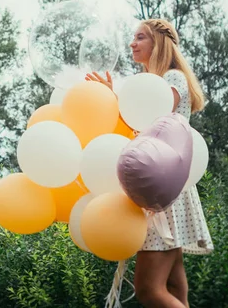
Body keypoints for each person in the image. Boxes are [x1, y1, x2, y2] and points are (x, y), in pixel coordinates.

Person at [86, 18, 213, 308]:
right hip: (167, 186)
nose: (132, 43)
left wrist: (111, 98)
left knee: (149, 289)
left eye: (140, 37)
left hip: (162, 191)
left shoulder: (172, 79)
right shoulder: (152, 84)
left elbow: (147, 119)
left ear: (159, 44)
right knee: (173, 288)